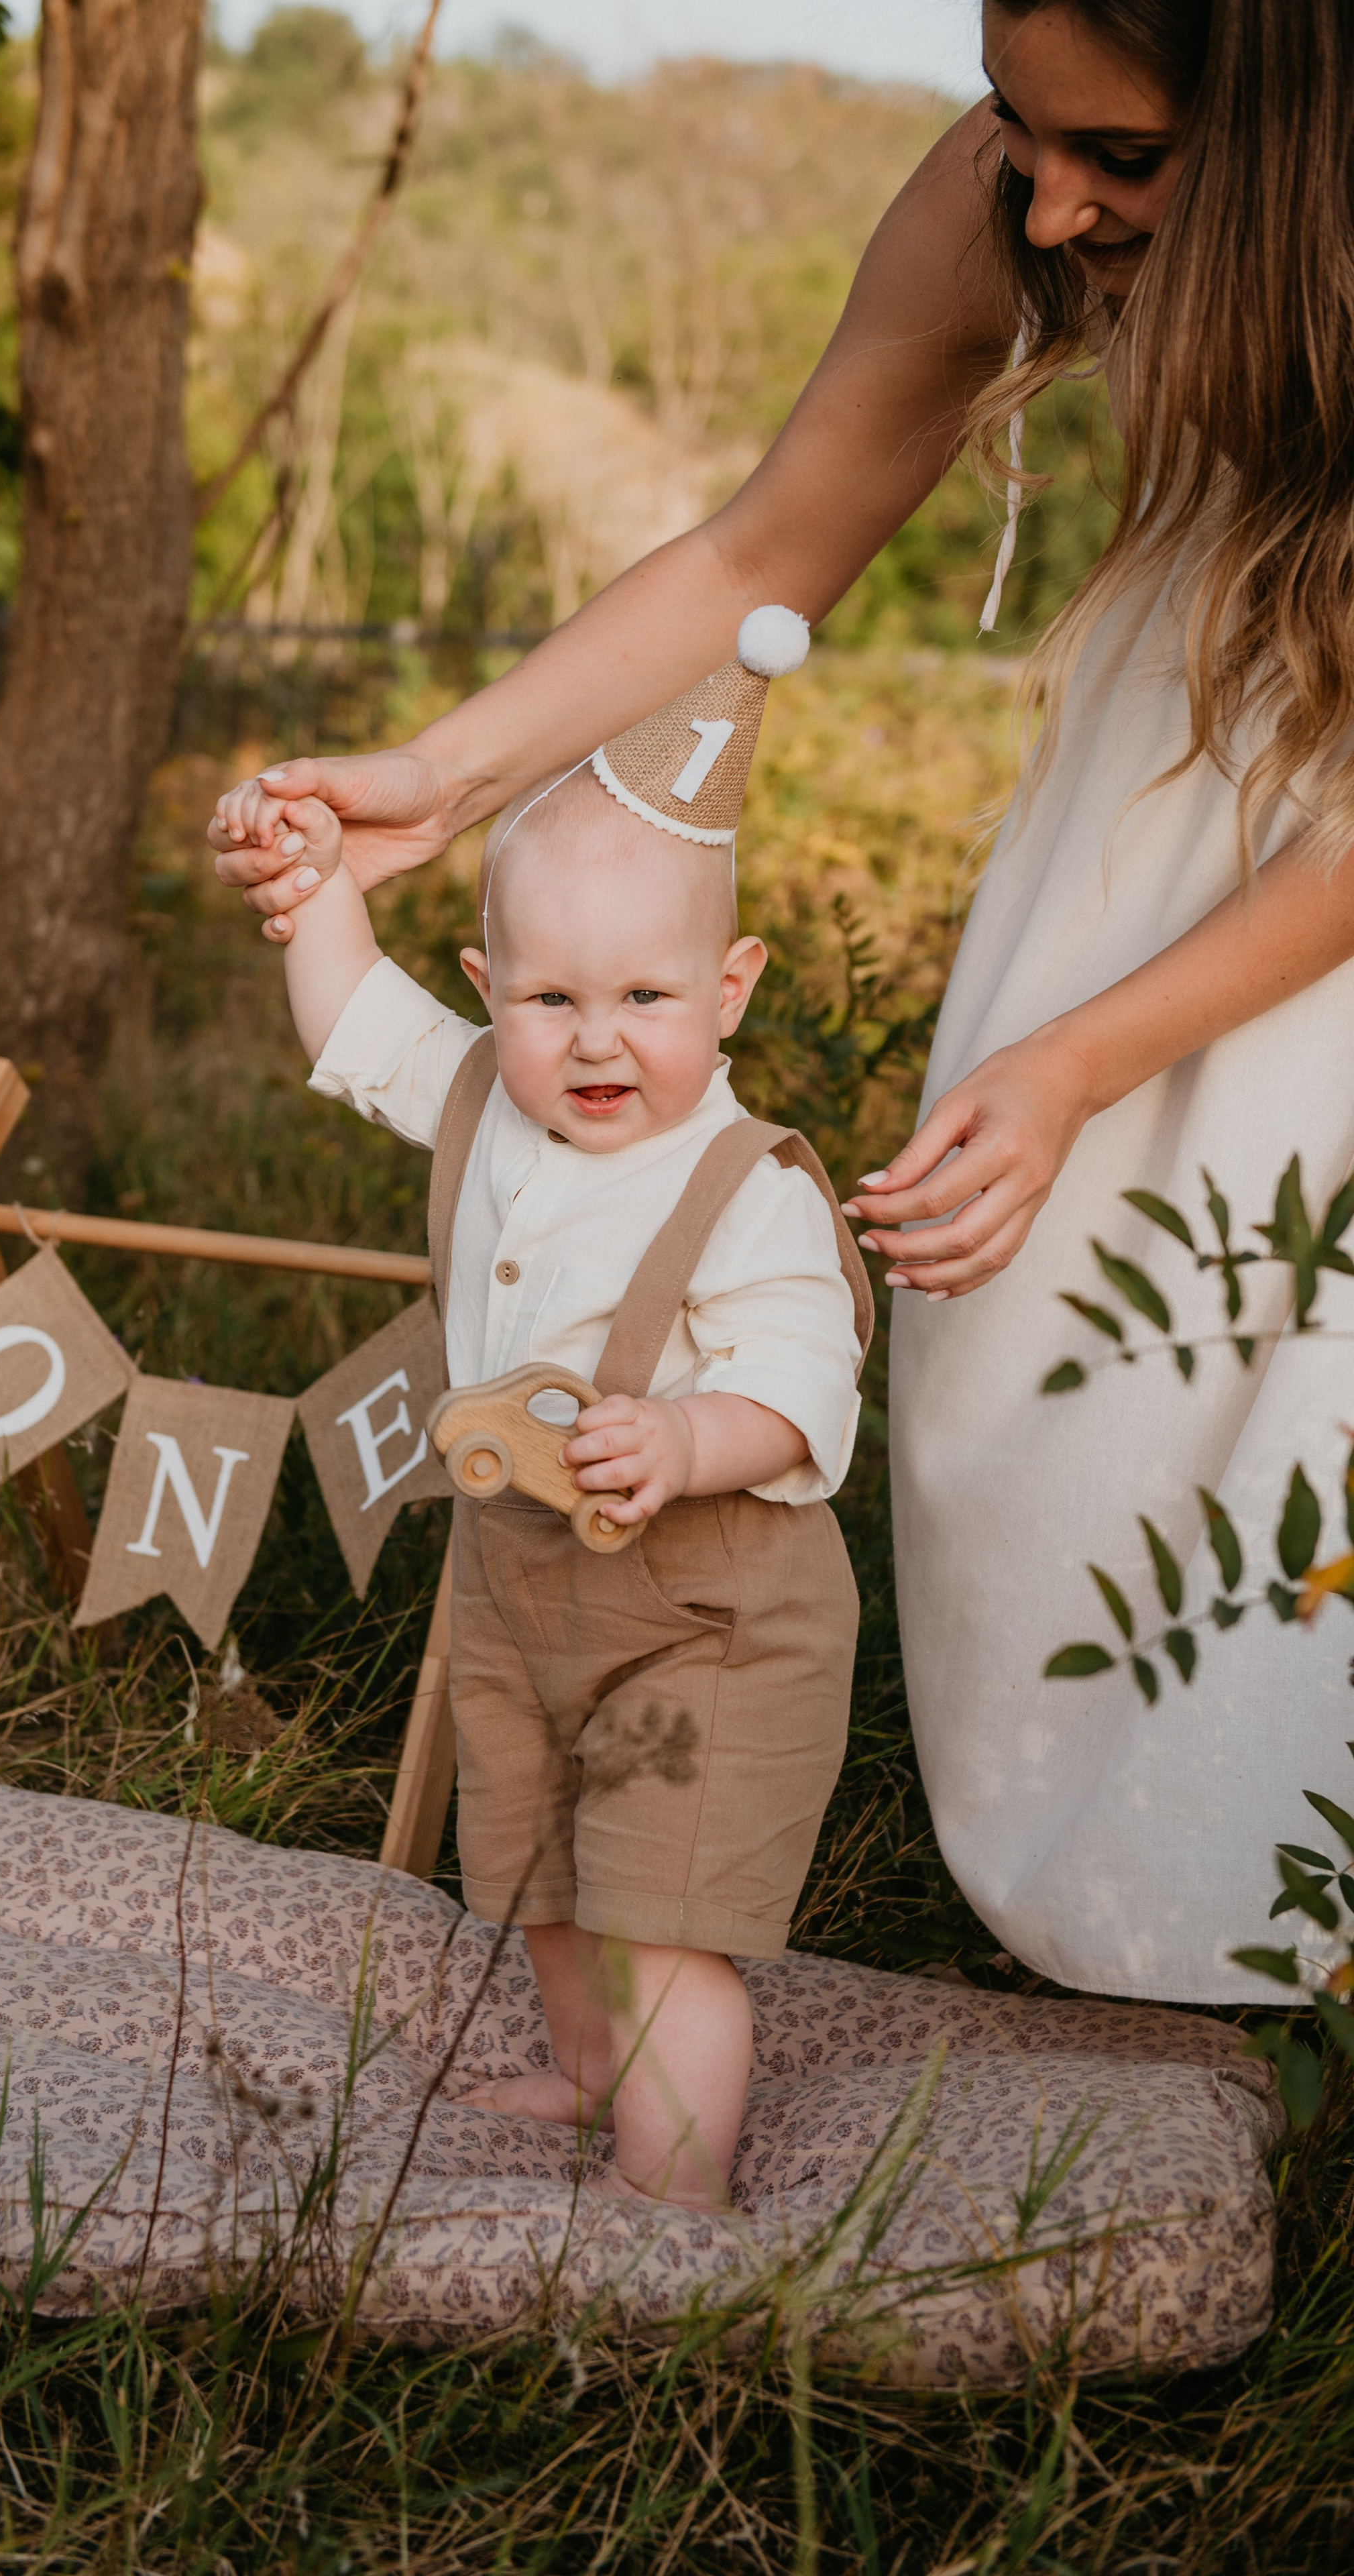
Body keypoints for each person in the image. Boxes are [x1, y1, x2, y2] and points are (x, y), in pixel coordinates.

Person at [213, 3, 1354, 2006]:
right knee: (1050, 1381)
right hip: (1143, 823)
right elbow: (769, 539)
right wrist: (447, 776)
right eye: (1019, 118)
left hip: (1316, 868)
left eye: (1132, 159)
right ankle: (1123, 1905)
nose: (1054, 190)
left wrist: (1085, 1063)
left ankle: (1288, 1961)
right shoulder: (1005, 197)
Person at [221, 616, 869, 2204]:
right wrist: (315, 884)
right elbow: (348, 1018)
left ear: (729, 987)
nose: (594, 1041)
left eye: (645, 996)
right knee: (545, 1882)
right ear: (488, 985)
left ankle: (672, 2204)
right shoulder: (480, 1099)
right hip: (516, 1585)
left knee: (660, 1918)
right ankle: (588, 2073)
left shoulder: (742, 1182)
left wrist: (689, 1440)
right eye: (549, 999)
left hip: (700, 1613)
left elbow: (802, 1376)